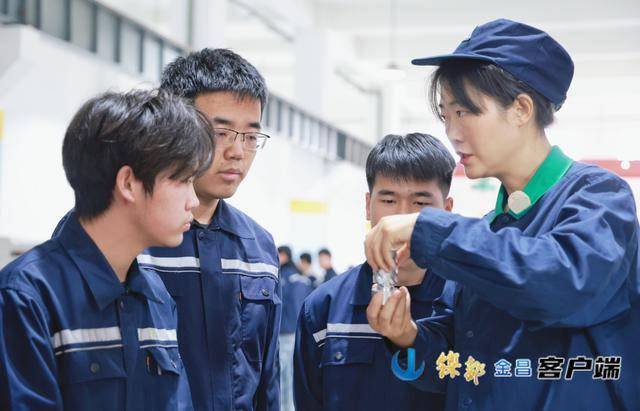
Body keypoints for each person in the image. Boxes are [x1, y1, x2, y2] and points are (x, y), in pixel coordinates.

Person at [364, 19, 640, 411]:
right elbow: (461, 365)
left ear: (521, 109)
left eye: (464, 112)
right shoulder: (488, 231)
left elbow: (561, 283)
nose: (452, 132)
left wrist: (431, 229)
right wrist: (409, 336)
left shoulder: (598, 197)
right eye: (445, 115)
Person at [0, 90, 213, 410]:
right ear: (128, 183)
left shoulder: (157, 297)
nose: (193, 201)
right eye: (182, 180)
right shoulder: (26, 298)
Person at [138, 49, 282, 410]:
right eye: (221, 132)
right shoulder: (132, 239)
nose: (238, 151)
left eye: (251, 136)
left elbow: (267, 380)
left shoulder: (258, 248)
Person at [294, 133, 455, 410]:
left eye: (420, 203)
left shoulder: (467, 304)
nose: (401, 217)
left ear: (447, 210)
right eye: (389, 200)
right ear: (368, 205)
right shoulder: (324, 308)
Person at [278, 245, 314, 411]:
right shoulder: (296, 278)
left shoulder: (288, 278)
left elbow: (293, 307)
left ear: (284, 255)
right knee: (288, 373)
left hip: (286, 332)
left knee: (285, 372)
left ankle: (286, 407)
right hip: (291, 331)